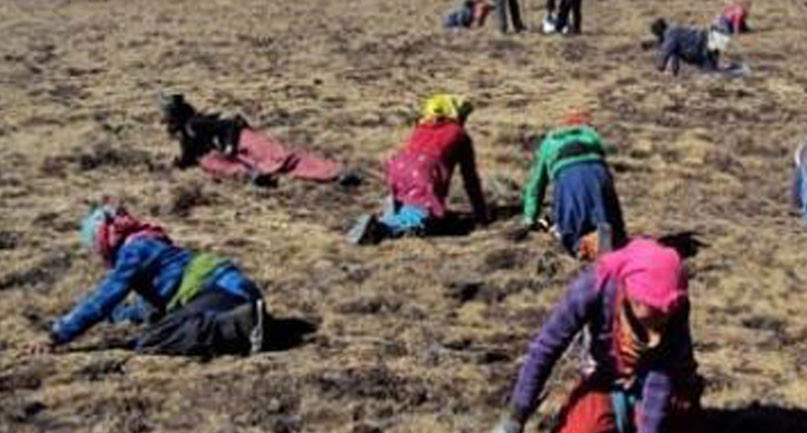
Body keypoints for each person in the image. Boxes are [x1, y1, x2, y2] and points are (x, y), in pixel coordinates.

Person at [480, 238, 702, 433]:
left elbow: (661, 374)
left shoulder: (673, 301)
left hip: (665, 382)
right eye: (654, 312)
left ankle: (641, 429)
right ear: (631, 293)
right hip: (607, 377)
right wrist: (514, 420)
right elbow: (546, 348)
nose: (661, 320)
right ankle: (623, 415)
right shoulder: (592, 287)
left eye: (665, 315)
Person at [30, 200, 266, 357]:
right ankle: (252, 323)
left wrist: (58, 335)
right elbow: (148, 309)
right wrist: (116, 316)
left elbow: (106, 296)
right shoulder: (151, 243)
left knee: (153, 339)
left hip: (216, 291)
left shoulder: (135, 250)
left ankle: (238, 324)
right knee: (166, 324)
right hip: (232, 290)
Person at [348, 94, 488, 244]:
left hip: (400, 166)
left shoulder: (423, 127)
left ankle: (392, 211)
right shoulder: (459, 134)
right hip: (424, 170)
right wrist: (481, 213)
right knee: (422, 219)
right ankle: (381, 228)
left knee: (410, 200)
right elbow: (470, 177)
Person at [161, 94, 357, 187]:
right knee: (211, 162)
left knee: (284, 157)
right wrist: (180, 163)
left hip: (241, 139)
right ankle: (254, 176)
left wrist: (229, 145)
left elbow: (228, 125)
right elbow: (190, 155)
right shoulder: (186, 133)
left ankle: (335, 173)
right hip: (236, 154)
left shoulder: (196, 123)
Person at [522, 110, 628, 259]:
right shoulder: (591, 135)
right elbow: (603, 166)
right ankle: (608, 242)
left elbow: (536, 186)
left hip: (568, 178)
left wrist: (529, 218)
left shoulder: (550, 141)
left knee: (570, 233)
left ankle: (583, 250)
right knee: (607, 218)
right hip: (598, 174)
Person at [650, 19, 722, 75]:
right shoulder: (674, 31)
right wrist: (674, 71)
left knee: (710, 74)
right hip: (708, 42)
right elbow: (674, 56)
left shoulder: (670, 35)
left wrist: (659, 68)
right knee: (711, 71)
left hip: (704, 47)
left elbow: (665, 55)